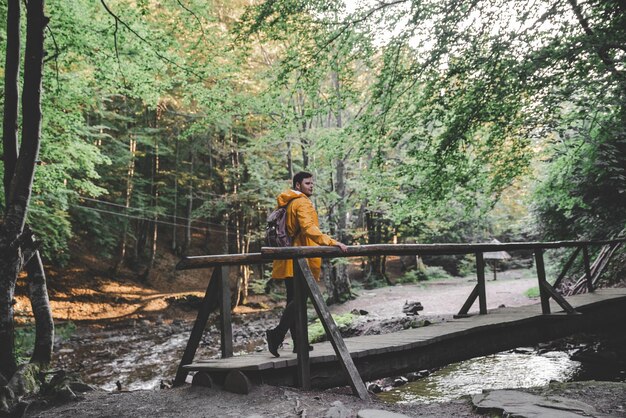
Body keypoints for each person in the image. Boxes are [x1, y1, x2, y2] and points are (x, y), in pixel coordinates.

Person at [266, 171, 348, 357]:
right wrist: (332, 242)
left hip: (288, 259)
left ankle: (299, 344)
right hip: (299, 259)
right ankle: (277, 335)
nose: (311, 186)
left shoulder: (289, 202)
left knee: (293, 301)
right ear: (297, 185)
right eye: (308, 183)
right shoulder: (302, 202)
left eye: (312, 183)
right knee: (299, 300)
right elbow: (309, 228)